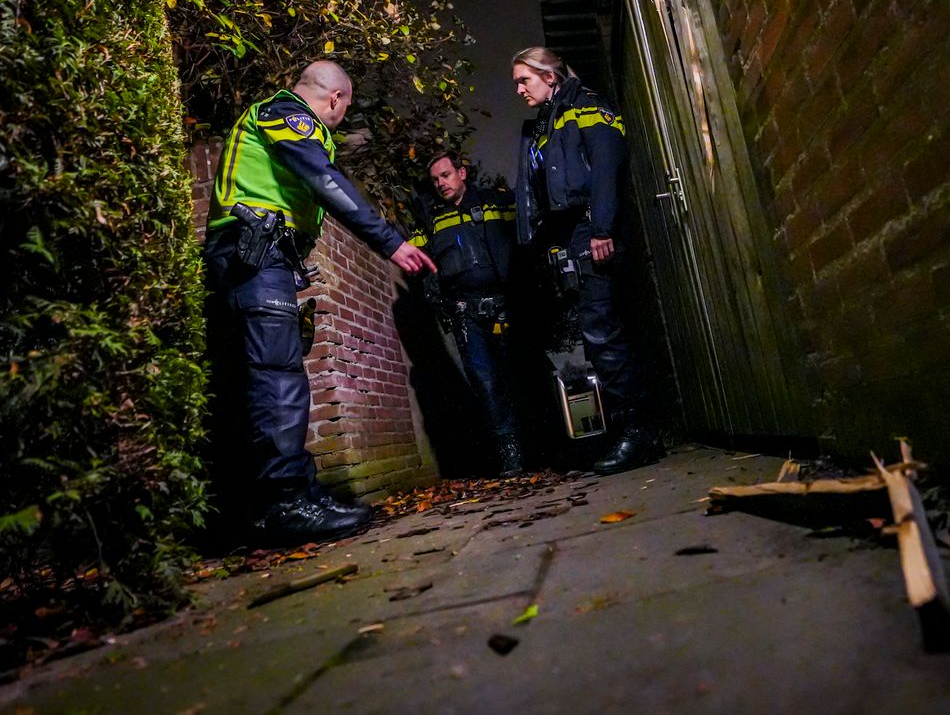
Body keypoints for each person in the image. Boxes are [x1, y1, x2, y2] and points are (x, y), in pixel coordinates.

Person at [203, 59, 436, 547]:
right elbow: (325, 181)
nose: (341, 116)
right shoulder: (286, 113)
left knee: (275, 373)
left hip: (262, 255)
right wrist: (391, 242)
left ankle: (300, 492)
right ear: (335, 99)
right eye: (345, 107)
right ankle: (286, 505)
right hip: (252, 253)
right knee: (277, 376)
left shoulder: (281, 120)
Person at [511, 46, 663, 475]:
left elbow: (607, 167)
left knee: (602, 330)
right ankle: (632, 430)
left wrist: (602, 228)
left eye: (525, 79)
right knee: (598, 331)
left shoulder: (587, 106)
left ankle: (639, 434)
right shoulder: (544, 123)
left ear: (550, 77)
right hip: (573, 234)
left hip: (592, 227)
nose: (520, 89)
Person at [414, 151, 526, 477]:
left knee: (521, 373)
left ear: (462, 173)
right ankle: (511, 455)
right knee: (486, 383)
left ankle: (544, 444)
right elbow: (421, 267)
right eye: (435, 180)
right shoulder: (431, 218)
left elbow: (524, 236)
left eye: (446, 175)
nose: (441, 184)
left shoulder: (496, 202)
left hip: (506, 305)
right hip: (465, 314)